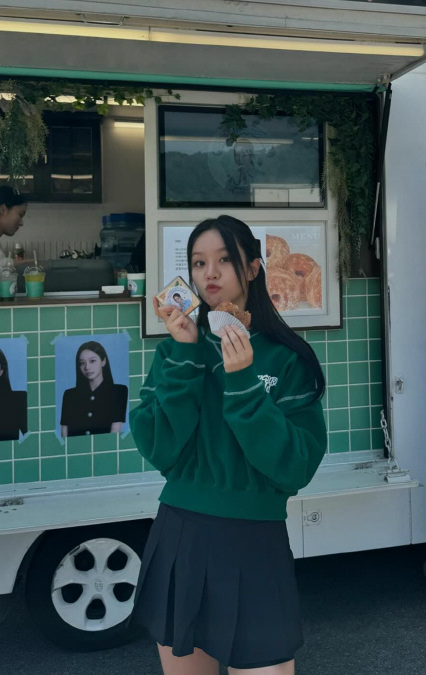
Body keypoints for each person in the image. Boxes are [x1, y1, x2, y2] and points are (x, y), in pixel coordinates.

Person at [130, 215, 327, 675]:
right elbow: (159, 447)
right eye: (199, 263)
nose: (209, 274)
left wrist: (243, 385)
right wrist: (182, 356)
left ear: (253, 269)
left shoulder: (287, 357)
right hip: (180, 533)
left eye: (224, 261)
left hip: (254, 539)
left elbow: (295, 466)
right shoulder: (178, 347)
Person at [60, 341, 128, 438]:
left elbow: (114, 434)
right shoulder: (69, 395)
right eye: (82, 363)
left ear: (103, 361)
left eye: (92, 361)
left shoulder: (119, 391)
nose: (87, 367)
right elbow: (64, 433)